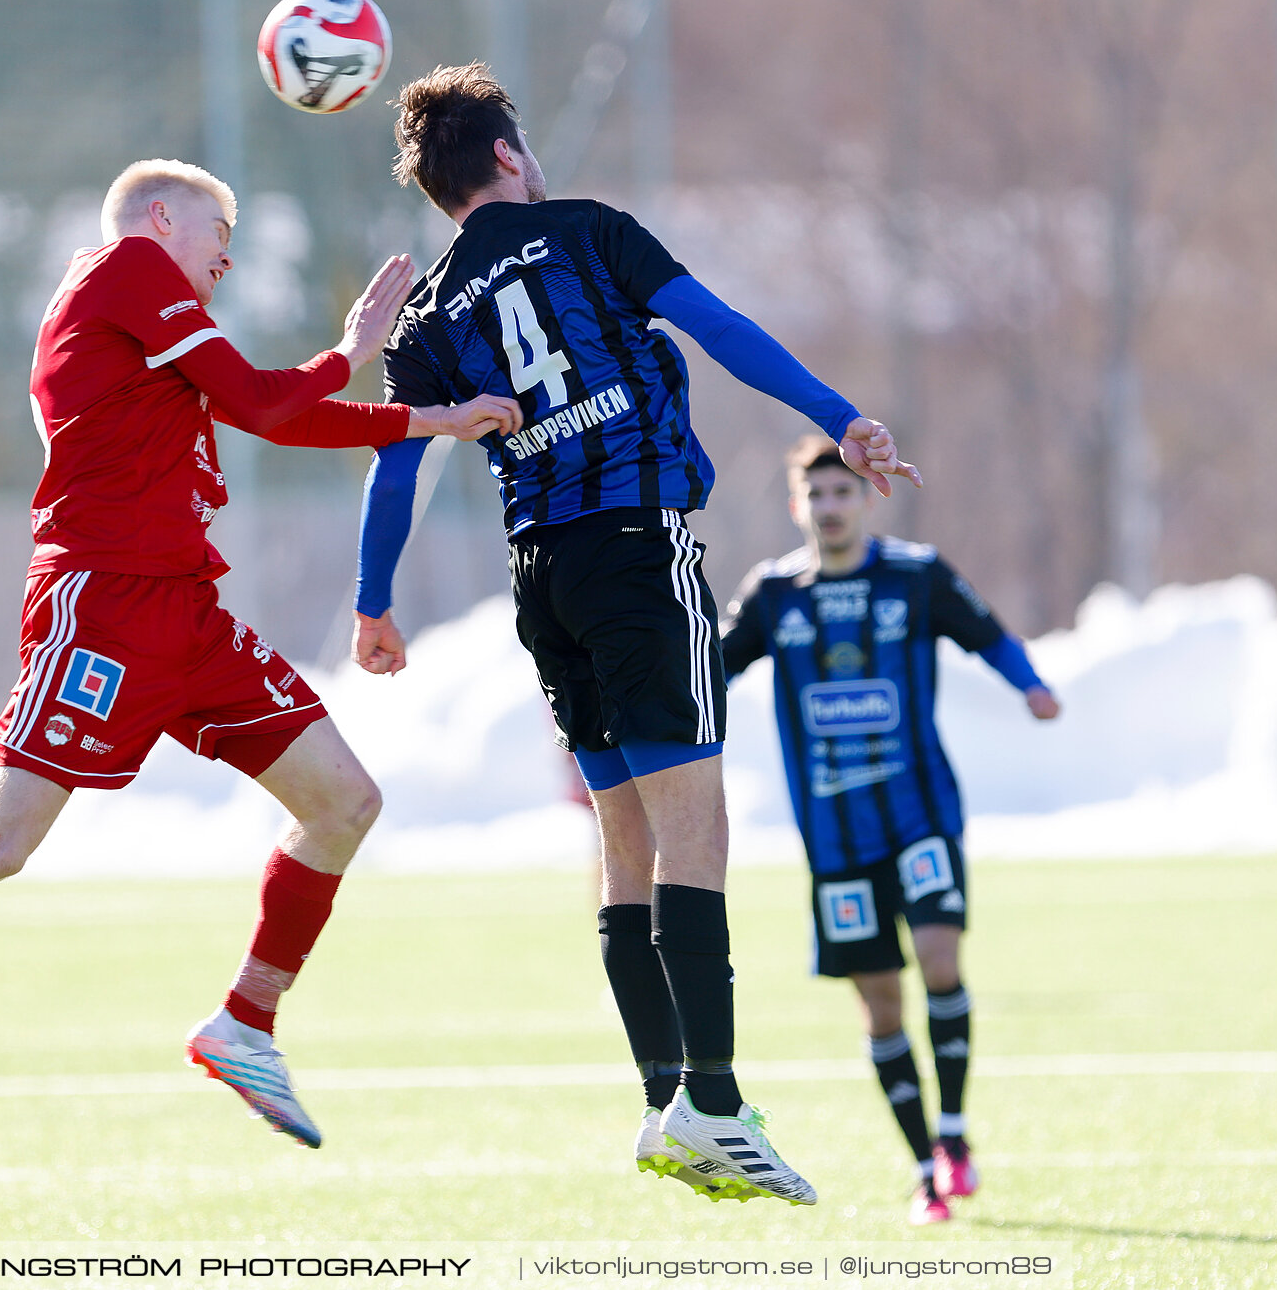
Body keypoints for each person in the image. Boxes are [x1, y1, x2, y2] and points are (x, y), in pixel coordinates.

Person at [0, 158, 521, 1148]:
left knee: (345, 801)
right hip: (99, 606)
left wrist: (429, 419)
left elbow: (269, 410)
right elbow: (266, 399)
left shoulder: (151, 322)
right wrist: (349, 349)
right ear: (158, 217)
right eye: (218, 243)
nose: (222, 267)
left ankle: (246, 1022)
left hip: (186, 612)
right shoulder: (124, 272)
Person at [351, 64, 921, 1206]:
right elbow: (719, 330)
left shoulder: (425, 318)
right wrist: (837, 418)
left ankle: (666, 1094)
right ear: (508, 155)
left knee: (626, 841)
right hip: (633, 552)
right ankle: (712, 1100)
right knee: (693, 826)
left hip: (543, 578)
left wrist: (373, 600)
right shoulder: (590, 232)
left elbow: (396, 459)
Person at [718, 435, 1060, 1224]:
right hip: (835, 834)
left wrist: (1032, 685)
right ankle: (923, 1167)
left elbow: (986, 632)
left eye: (845, 492)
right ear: (798, 506)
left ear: (867, 499)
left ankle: (954, 1131)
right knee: (879, 1004)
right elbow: (715, 668)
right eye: (818, 495)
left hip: (920, 812)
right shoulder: (774, 592)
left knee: (940, 959)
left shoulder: (915, 575)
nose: (832, 507)